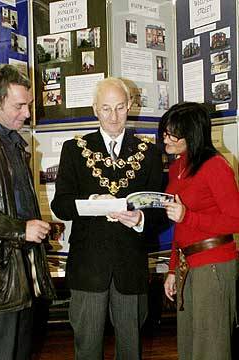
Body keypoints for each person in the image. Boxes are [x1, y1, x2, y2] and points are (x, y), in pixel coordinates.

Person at [51, 77, 165, 360]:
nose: (113, 117)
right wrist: (90, 202)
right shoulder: (74, 150)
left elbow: (158, 212)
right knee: (87, 348)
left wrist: (140, 218)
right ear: (94, 109)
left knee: (131, 349)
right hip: (89, 267)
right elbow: (60, 206)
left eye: (120, 107)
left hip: (131, 267)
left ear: (130, 107)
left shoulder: (149, 153)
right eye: (106, 108)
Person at [0, 64, 55, 360]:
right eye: (19, 106)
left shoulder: (13, 142)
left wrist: (35, 226)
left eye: (28, 105)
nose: (27, 114)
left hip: (19, 274)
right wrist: (21, 229)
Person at [158, 102, 239, 360]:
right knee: (190, 346)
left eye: (172, 134)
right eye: (164, 132)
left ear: (191, 134)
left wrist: (189, 216)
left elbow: (236, 220)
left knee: (211, 348)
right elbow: (178, 224)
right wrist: (172, 269)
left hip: (213, 265)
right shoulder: (177, 167)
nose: (165, 139)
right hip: (187, 265)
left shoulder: (215, 166)